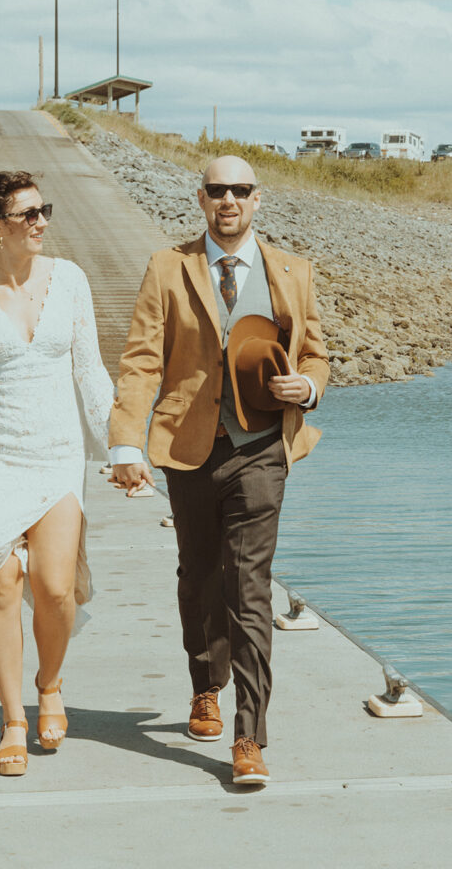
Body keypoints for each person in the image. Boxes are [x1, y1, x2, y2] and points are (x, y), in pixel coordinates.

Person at [109, 154, 329, 785]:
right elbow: (141, 362)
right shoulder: (167, 267)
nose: (228, 199)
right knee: (200, 575)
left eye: (240, 190)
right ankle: (206, 681)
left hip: (262, 448)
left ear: (257, 199)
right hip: (189, 446)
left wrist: (306, 389)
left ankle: (249, 736)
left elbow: (314, 353)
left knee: (249, 585)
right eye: (217, 190)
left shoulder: (293, 270)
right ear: (201, 198)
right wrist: (126, 442)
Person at [0, 170, 114, 776]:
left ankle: (50, 681)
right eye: (27, 213)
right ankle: (13, 721)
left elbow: (89, 370)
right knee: (3, 582)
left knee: (57, 587)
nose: (40, 222)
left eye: (43, 211)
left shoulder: (71, 280)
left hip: (56, 451)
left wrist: (120, 448)